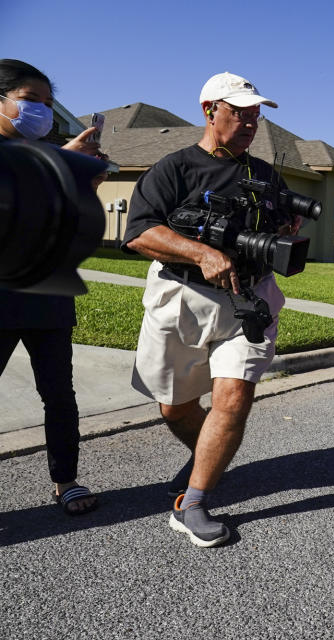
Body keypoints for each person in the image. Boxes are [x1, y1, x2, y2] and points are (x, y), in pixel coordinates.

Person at [122, 72, 296, 548]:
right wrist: (200, 252)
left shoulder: (265, 174)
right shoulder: (174, 168)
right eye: (240, 113)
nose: (250, 123)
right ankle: (207, 453)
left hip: (251, 298)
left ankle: (193, 501)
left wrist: (287, 230)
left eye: (255, 115)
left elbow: (280, 232)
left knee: (233, 399)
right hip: (184, 296)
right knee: (175, 407)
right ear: (209, 110)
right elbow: (138, 232)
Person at [0, 59, 103, 516]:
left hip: (49, 296)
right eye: (28, 101)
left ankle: (67, 480)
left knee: (59, 394)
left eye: (46, 103)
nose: (40, 112)